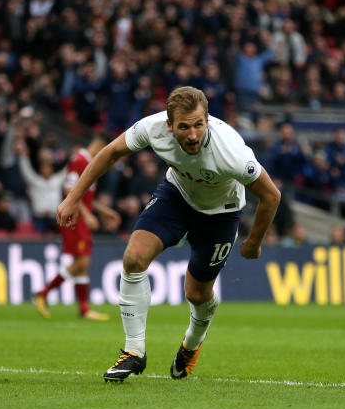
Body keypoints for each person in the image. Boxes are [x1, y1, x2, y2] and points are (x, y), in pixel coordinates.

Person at [57, 87, 281, 382]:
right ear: (169, 124)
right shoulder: (152, 128)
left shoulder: (232, 153)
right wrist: (74, 197)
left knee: (197, 294)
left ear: (208, 120)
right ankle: (134, 352)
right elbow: (110, 153)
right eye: (184, 127)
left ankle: (192, 342)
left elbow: (271, 195)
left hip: (222, 213)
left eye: (199, 125)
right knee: (134, 258)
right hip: (177, 195)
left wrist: (253, 241)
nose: (192, 135)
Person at [31, 132, 121, 320]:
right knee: (81, 262)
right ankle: (43, 293)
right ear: (100, 145)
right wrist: (87, 216)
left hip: (81, 218)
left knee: (84, 264)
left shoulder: (89, 162)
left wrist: (103, 211)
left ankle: (84, 309)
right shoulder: (80, 160)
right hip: (75, 219)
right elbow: (70, 190)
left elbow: (85, 196)